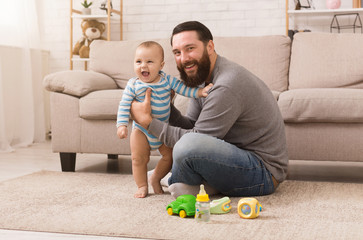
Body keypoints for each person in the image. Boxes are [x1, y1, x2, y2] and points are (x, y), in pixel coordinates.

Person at [130, 21, 289, 198]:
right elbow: (191, 125)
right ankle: (195, 184)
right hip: (234, 156)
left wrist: (148, 122)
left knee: (186, 147)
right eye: (177, 52)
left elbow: (194, 140)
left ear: (210, 46)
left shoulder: (225, 85)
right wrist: (165, 106)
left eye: (190, 48)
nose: (183, 58)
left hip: (263, 173)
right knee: (187, 146)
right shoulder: (202, 77)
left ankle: (180, 180)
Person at [116, 41, 213, 198]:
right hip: (141, 130)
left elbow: (184, 89)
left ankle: (155, 178)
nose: (143, 66)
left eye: (149, 62)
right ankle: (142, 185)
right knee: (138, 159)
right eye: (138, 62)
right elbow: (124, 104)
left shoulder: (167, 80)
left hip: (162, 129)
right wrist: (121, 125)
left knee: (169, 157)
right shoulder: (133, 84)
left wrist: (200, 92)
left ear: (161, 65)